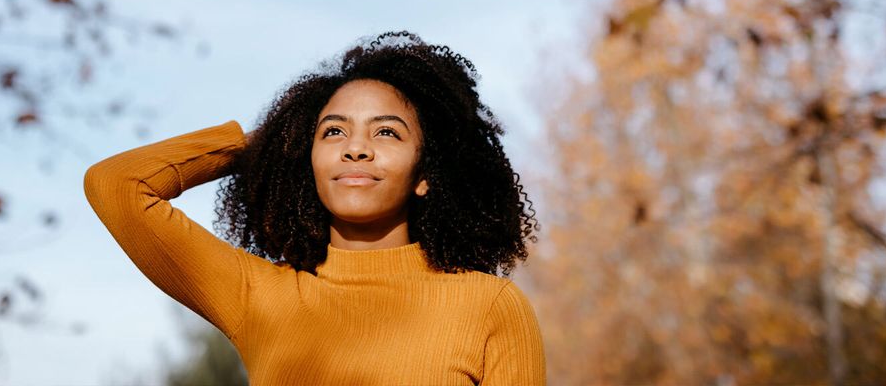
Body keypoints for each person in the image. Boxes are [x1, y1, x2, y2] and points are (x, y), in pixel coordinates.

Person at [84, 31, 546, 385]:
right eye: (333, 132)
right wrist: (266, 146)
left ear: (427, 175)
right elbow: (116, 185)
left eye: (386, 132)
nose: (356, 149)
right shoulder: (258, 297)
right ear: (307, 161)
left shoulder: (490, 307)